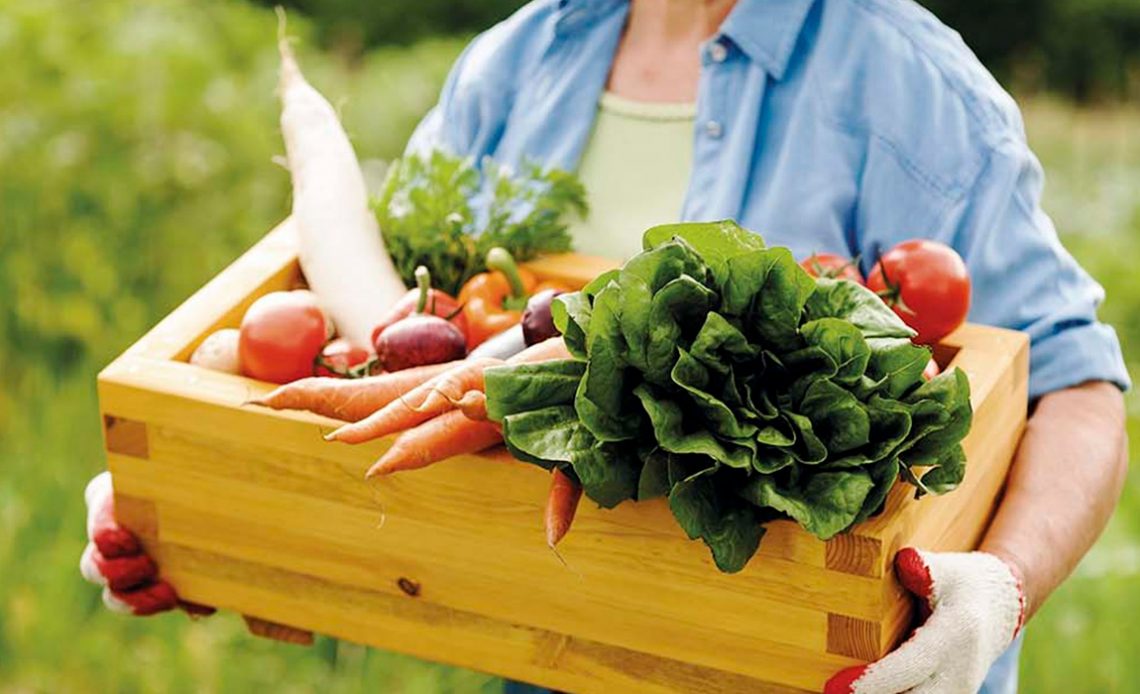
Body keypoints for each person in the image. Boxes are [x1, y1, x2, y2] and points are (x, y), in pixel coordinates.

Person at [82, 0, 1131, 692]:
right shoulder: (516, 62)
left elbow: (1078, 389)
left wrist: (1001, 588)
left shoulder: (913, 84)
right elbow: (397, 345)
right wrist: (200, 491)